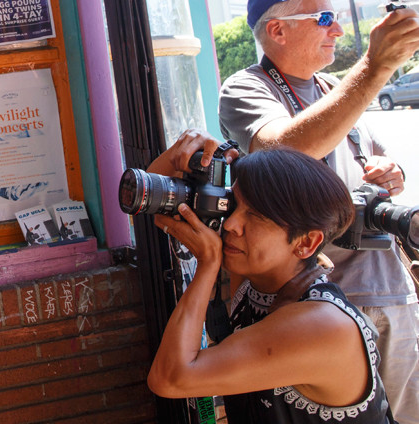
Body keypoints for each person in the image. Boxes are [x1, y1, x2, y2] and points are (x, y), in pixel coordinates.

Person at [219, 0, 419, 422]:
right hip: (329, 305)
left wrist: (392, 173)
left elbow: (377, 162)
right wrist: (374, 66)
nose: (339, 29)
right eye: (324, 17)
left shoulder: (333, 89)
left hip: (389, 286)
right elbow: (281, 155)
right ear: (277, 30)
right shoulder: (247, 88)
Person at [147, 130, 396, 423]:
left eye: (257, 216)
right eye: (235, 206)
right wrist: (182, 153)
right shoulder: (260, 275)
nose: (232, 225)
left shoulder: (322, 326)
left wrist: (208, 264)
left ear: (305, 243)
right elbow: (157, 207)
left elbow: (171, 378)